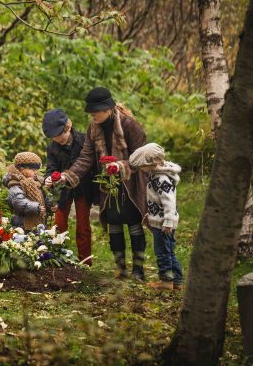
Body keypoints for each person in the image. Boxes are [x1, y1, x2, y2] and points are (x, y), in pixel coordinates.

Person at [59, 87, 148, 280]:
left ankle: (138, 271)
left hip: (130, 184)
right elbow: (86, 157)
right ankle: (120, 268)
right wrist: (69, 176)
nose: (92, 115)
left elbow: (141, 156)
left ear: (107, 109)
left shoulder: (130, 125)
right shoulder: (93, 128)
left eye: (95, 111)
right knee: (114, 223)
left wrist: (120, 166)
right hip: (108, 185)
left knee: (134, 224)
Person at [42, 109, 97, 266]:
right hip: (62, 191)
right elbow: (50, 169)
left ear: (67, 127)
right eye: (53, 138)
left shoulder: (84, 140)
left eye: (59, 137)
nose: (57, 140)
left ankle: (85, 261)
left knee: (83, 225)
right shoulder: (52, 148)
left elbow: (89, 163)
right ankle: (58, 258)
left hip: (83, 189)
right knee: (59, 224)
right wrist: (48, 179)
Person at [128, 143, 183, 290]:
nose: (141, 170)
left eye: (143, 167)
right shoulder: (155, 175)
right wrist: (149, 214)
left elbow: (169, 203)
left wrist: (168, 222)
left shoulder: (162, 179)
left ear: (154, 163)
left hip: (163, 224)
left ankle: (166, 282)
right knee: (169, 250)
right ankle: (177, 281)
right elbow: (157, 201)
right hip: (160, 220)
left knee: (163, 252)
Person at [3, 152, 49, 231]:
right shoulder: (15, 184)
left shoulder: (37, 183)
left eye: (36, 170)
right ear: (22, 169)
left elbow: (43, 198)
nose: (36, 172)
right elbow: (18, 202)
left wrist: (50, 205)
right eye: (33, 170)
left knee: (39, 241)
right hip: (22, 224)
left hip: (39, 223)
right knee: (26, 242)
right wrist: (36, 207)